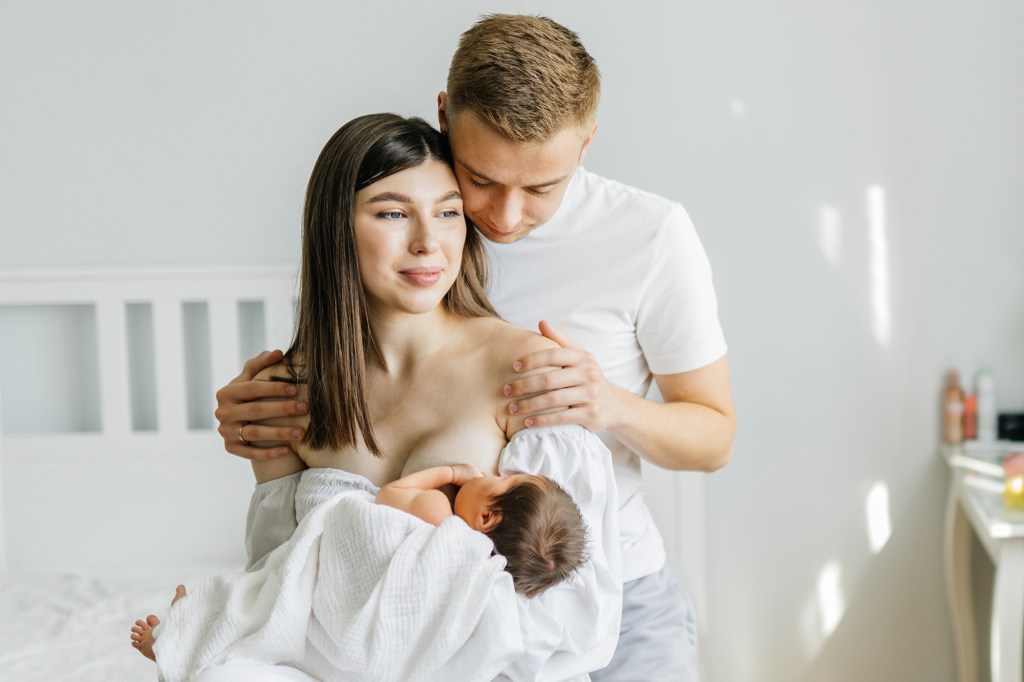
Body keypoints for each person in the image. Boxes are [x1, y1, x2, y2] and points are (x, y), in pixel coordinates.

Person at [217, 14, 734, 681]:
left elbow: (714, 437)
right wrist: (254, 416)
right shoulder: (418, 217)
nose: (504, 218)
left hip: (613, 585)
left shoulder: (650, 235)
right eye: (481, 181)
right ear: (444, 119)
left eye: (543, 187)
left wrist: (607, 405)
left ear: (586, 143)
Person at [136, 113, 621, 681]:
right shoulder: (289, 395)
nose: (427, 242)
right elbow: (281, 590)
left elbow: (568, 619)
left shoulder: (526, 373)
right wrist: (212, 623)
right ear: (335, 227)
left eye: (447, 212)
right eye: (393, 213)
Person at [375, 463, 587, 598]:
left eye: (504, 480)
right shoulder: (471, 583)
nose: (494, 474)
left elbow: (388, 493)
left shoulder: (435, 510)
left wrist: (450, 472)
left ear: (487, 517)